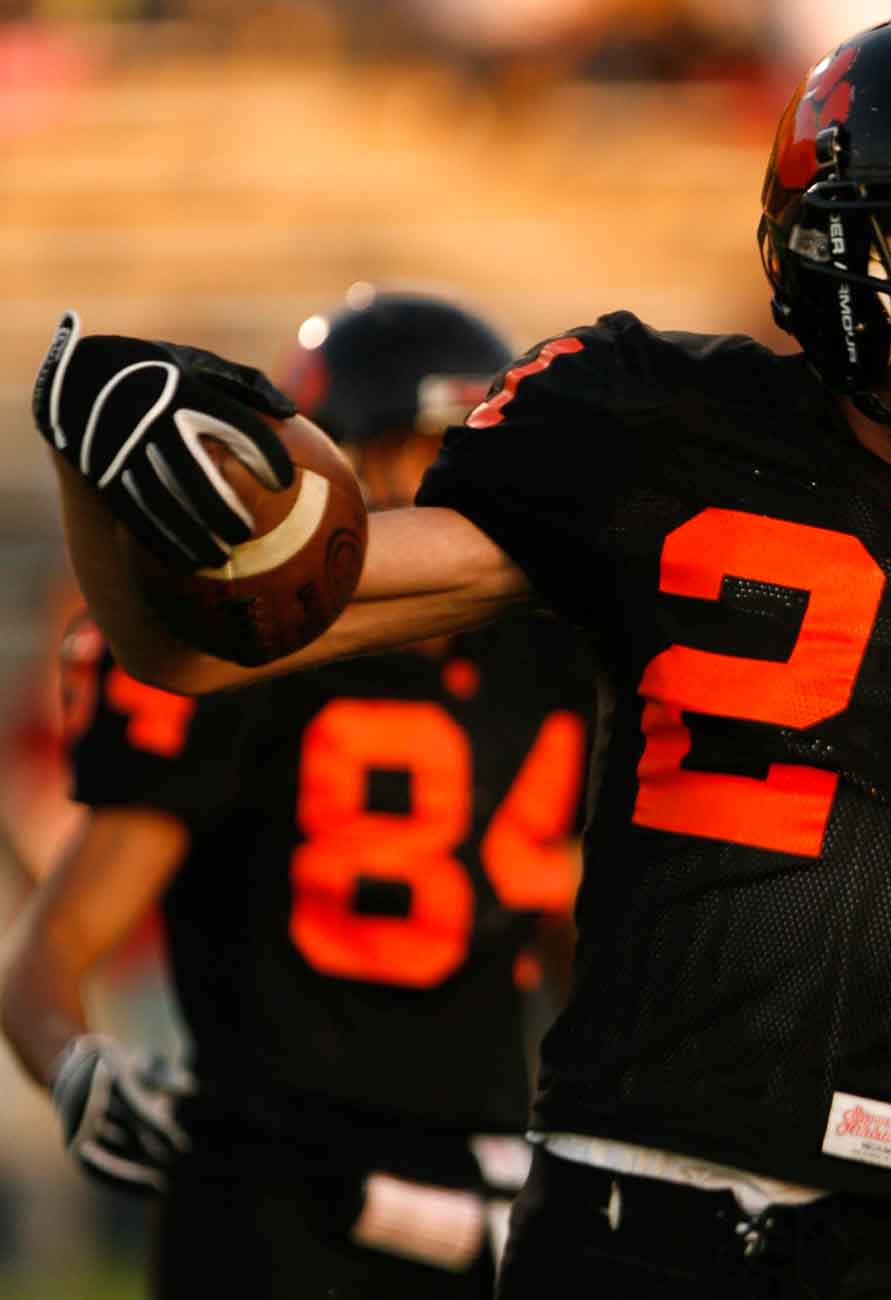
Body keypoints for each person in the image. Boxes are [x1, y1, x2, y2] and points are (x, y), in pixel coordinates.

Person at [26, 11, 891, 1298]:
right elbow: (218, 637)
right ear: (841, 245)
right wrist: (108, 480)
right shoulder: (655, 431)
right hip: (615, 1230)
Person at [3, 291, 593, 1299]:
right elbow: (52, 950)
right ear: (330, 468)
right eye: (421, 447)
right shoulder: (236, 666)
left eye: (475, 448)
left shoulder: (553, 653)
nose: (456, 482)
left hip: (487, 1198)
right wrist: (76, 1064)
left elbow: (565, 924)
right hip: (272, 1206)